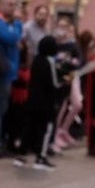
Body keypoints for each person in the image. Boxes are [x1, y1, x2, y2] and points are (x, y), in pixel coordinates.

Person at [14, 35, 62, 171]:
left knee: (29, 128)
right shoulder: (49, 61)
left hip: (32, 101)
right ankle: (41, 157)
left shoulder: (36, 60)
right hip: (46, 104)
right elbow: (54, 83)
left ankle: (21, 155)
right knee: (46, 129)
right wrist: (65, 81)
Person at [0, 0, 23, 158]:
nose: (13, 8)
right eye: (10, 4)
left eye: (14, 4)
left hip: (7, 73)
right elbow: (12, 37)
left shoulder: (7, 23)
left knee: (1, 109)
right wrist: (16, 24)